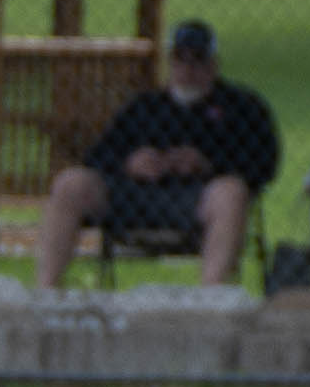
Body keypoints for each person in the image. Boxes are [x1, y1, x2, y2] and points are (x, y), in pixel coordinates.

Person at [28, 19, 280, 291]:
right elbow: (97, 156)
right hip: (134, 198)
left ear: (213, 64)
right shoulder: (145, 107)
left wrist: (208, 164)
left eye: (197, 59)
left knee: (231, 192)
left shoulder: (241, 108)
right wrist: (130, 163)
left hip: (197, 201)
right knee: (70, 183)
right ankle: (46, 290)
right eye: (179, 59)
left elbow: (264, 164)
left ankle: (211, 293)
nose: (188, 69)